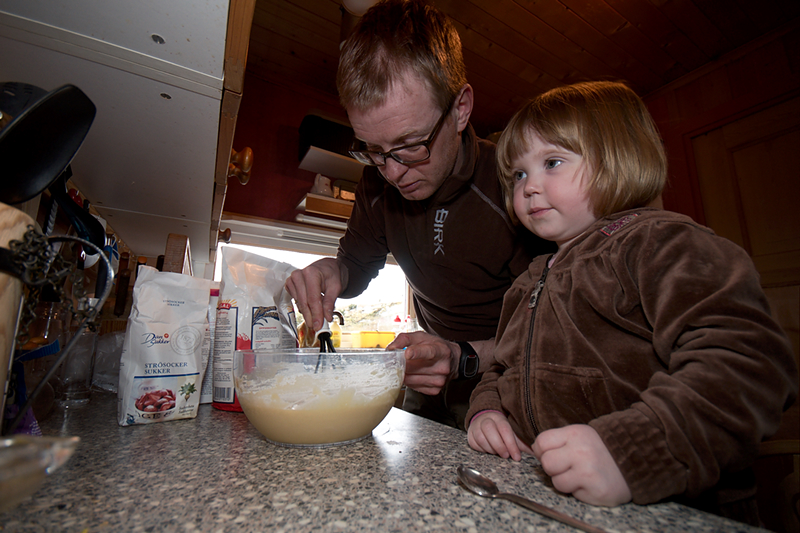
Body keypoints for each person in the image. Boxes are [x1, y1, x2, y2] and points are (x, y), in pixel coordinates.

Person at [465, 80, 798, 524]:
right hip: (553, 503)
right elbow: (501, 370)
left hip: (678, 511)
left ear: (616, 159)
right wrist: (486, 411)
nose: (528, 187)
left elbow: (750, 364)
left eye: (552, 162)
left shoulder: (661, 243)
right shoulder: (528, 280)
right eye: (518, 175)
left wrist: (633, 452)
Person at [285, 0, 553, 429]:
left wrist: (462, 356)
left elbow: (552, 330)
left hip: (511, 384)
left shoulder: (515, 186)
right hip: (428, 375)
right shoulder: (376, 184)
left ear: (460, 109)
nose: (392, 173)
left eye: (410, 145)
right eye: (373, 149)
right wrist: (332, 272)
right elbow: (356, 268)